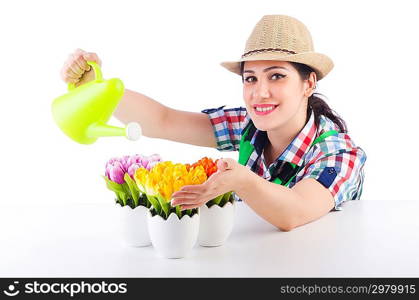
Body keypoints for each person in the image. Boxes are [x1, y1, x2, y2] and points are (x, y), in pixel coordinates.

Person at [60, 15, 366, 231]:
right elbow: (163, 120)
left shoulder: (339, 153)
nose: (260, 92)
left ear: (308, 82)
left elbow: (295, 212)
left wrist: (242, 180)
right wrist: (98, 89)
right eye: (250, 78)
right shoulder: (249, 124)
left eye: (276, 76)